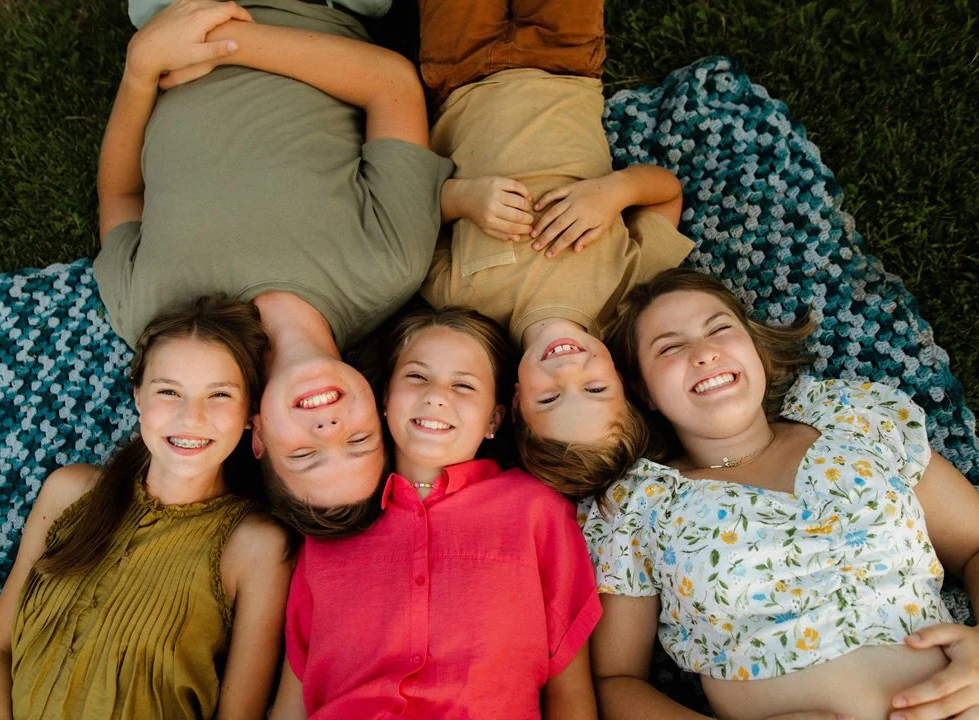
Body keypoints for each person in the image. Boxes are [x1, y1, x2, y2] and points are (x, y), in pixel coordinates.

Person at [92, 0, 454, 534]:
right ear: (380, 412)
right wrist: (229, 40)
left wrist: (142, 69)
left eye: (305, 454)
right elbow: (390, 85)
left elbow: (120, 194)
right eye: (357, 441)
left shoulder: (160, 321)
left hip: (175, 12)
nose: (328, 427)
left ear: (256, 437)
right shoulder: (389, 266)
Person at [581, 268, 979, 720]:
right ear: (643, 391)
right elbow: (613, 682)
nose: (705, 353)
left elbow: (974, 544)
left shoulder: (854, 422)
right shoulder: (638, 505)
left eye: (720, 329)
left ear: (755, 348)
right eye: (670, 347)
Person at [413, 0, 695, 501]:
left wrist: (462, 199)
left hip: (458, 78)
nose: (567, 371)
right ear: (624, 380)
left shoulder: (463, 302)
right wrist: (616, 191)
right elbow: (668, 192)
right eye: (594, 389)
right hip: (568, 66)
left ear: (516, 401)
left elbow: (408, 220)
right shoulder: (629, 292)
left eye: (549, 397)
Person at [0, 295, 291, 719]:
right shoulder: (70, 493)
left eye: (219, 395)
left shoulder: (255, 547)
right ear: (138, 395)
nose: (191, 417)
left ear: (251, 411)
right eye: (169, 391)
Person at [269, 306, 601, 718]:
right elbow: (293, 698)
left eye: (463, 385)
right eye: (417, 376)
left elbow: (571, 695)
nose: (436, 395)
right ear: (385, 399)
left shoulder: (538, 509)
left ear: (494, 418)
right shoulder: (330, 524)